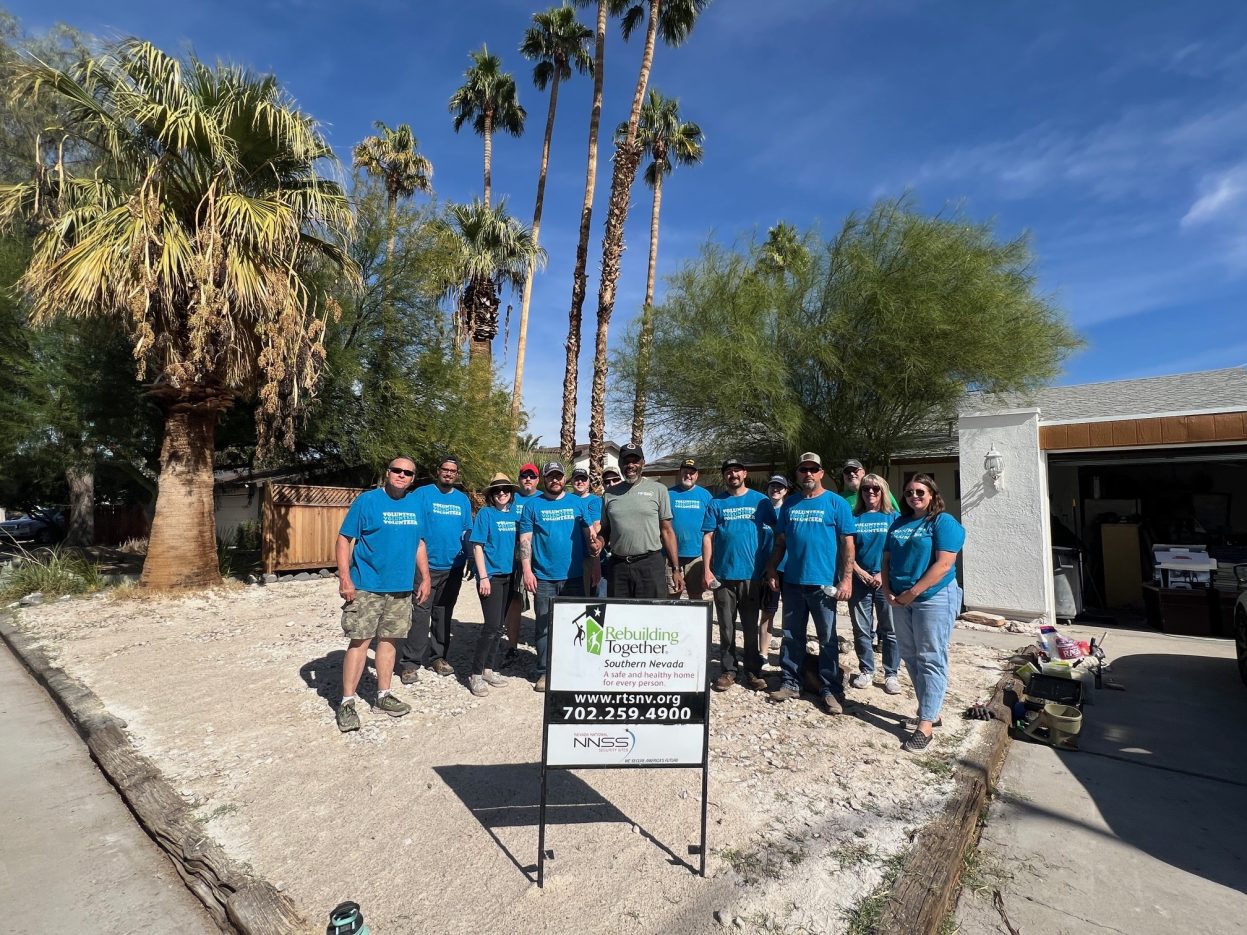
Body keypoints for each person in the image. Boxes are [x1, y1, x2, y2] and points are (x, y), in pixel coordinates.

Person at [334, 457, 431, 733]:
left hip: (400, 589)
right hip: (367, 586)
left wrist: (424, 577)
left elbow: (419, 543)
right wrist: (345, 576)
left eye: (408, 472)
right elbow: (344, 538)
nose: (402, 475)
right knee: (360, 642)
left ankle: (383, 696)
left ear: (413, 478)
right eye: (397, 470)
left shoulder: (415, 505)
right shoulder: (367, 501)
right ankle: (347, 702)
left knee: (389, 642)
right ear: (387, 473)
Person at [764, 452, 856, 714]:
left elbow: (848, 544)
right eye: (803, 470)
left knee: (827, 638)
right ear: (798, 474)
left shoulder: (837, 504)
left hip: (824, 585)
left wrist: (846, 579)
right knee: (792, 635)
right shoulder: (790, 504)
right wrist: (772, 568)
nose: (808, 474)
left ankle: (830, 689)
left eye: (812, 470)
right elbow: (781, 542)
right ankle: (791, 682)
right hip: (792, 581)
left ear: (821, 473)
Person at [883, 473, 965, 752]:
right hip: (900, 598)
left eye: (920, 492)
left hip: (933, 597)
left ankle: (926, 725)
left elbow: (943, 564)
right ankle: (931, 711)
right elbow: (886, 559)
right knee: (909, 654)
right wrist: (886, 591)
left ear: (932, 494)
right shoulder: (899, 522)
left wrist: (913, 592)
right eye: (909, 493)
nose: (914, 496)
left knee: (931, 656)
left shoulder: (943, 522)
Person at [519, 461, 599, 692]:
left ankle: (574, 669)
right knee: (543, 625)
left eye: (559, 476)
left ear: (564, 479)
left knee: (577, 626)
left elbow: (589, 537)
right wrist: (527, 570)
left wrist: (595, 565)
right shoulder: (533, 506)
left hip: (573, 576)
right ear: (544, 479)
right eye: (550, 476)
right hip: (543, 577)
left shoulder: (577, 503)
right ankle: (544, 672)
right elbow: (525, 540)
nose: (555, 480)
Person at [702, 458, 773, 692]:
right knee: (726, 626)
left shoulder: (761, 501)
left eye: (737, 470)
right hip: (723, 576)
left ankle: (753, 671)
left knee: (751, 626)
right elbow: (708, 537)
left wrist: (770, 565)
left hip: (752, 576)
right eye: (728, 471)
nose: (733, 474)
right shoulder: (716, 503)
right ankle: (729, 670)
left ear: (745, 473)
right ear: (725, 476)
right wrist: (707, 570)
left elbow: (776, 533)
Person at [399, 456, 472, 682]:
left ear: (457, 474)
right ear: (437, 471)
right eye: (445, 469)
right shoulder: (421, 494)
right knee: (420, 613)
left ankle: (438, 657)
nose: (448, 473)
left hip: (453, 567)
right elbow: (409, 523)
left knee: (443, 612)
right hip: (425, 567)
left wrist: (469, 557)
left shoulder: (462, 500)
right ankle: (410, 663)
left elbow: (467, 531)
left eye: (453, 471)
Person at [600, 443, 681, 599]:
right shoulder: (609, 494)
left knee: (652, 616)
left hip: (650, 565)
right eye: (626, 461)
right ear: (619, 464)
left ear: (643, 462)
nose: (630, 465)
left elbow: (667, 531)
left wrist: (676, 569)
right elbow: (605, 529)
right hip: (618, 566)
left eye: (635, 461)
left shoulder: (659, 490)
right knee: (619, 616)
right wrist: (599, 541)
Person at [847, 473, 902, 695]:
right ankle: (866, 670)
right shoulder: (854, 518)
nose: (870, 492)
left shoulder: (894, 518)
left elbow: (898, 551)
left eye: (875, 489)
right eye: (866, 488)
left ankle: (891, 674)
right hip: (859, 580)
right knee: (861, 628)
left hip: (885, 581)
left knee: (889, 630)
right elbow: (846, 551)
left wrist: (882, 573)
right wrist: (858, 571)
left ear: (883, 491)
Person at [466, 473, 519, 696]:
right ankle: (475, 673)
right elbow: (477, 546)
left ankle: (489, 668)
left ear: (511, 493)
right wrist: (483, 576)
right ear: (491, 495)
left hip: (510, 575)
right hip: (492, 577)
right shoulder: (486, 515)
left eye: (505, 490)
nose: (501, 494)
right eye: (497, 491)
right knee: (490, 626)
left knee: (499, 627)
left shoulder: (515, 515)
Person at [502, 462, 542, 665]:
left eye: (532, 476)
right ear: (519, 479)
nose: (528, 479)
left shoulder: (543, 499)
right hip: (513, 557)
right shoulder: (511, 499)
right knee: (514, 601)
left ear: (537, 480)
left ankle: (543, 647)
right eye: (524, 476)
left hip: (540, 557)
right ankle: (512, 646)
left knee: (541, 601)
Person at [668, 458, 712, 599]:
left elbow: (712, 528)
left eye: (692, 473)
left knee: (696, 595)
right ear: (679, 473)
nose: (688, 475)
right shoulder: (668, 494)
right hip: (671, 556)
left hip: (697, 556)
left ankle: (695, 621)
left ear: (697, 475)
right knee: (672, 596)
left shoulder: (706, 496)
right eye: (685, 472)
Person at [759, 475, 789, 655]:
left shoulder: (789, 510)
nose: (775, 490)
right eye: (772, 486)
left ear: (786, 490)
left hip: (788, 569)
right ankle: (763, 653)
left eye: (780, 487)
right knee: (767, 612)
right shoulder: (761, 510)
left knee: (790, 615)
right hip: (767, 569)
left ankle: (787, 654)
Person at [570, 466, 605, 596]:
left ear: (588, 482)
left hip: (589, 556)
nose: (580, 482)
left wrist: (595, 557)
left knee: (589, 593)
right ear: (571, 481)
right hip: (571, 556)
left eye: (583, 479)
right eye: (576, 479)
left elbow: (596, 527)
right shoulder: (567, 500)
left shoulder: (595, 501)